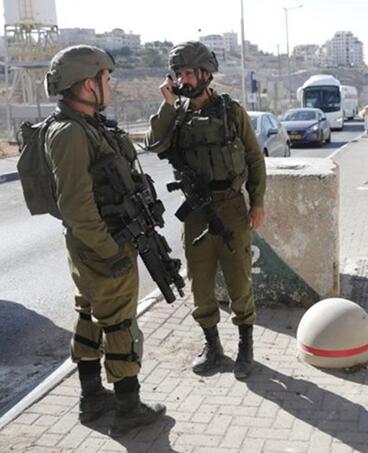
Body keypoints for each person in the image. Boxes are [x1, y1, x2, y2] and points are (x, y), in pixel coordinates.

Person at [43, 45, 165, 437]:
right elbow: (76, 206)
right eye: (106, 78)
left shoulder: (89, 126)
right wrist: (112, 252)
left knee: (90, 316)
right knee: (118, 322)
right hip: (101, 245)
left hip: (95, 243)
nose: (111, 84)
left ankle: (93, 397)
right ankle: (128, 407)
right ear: (86, 84)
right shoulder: (70, 134)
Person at [146, 41, 266, 380]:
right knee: (199, 281)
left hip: (230, 206)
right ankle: (212, 346)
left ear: (205, 74)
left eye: (188, 72)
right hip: (196, 210)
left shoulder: (232, 112)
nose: (182, 79)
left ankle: (245, 345)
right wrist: (167, 105)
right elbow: (155, 144)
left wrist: (256, 202)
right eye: (178, 73)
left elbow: (255, 159)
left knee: (238, 277)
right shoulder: (177, 114)